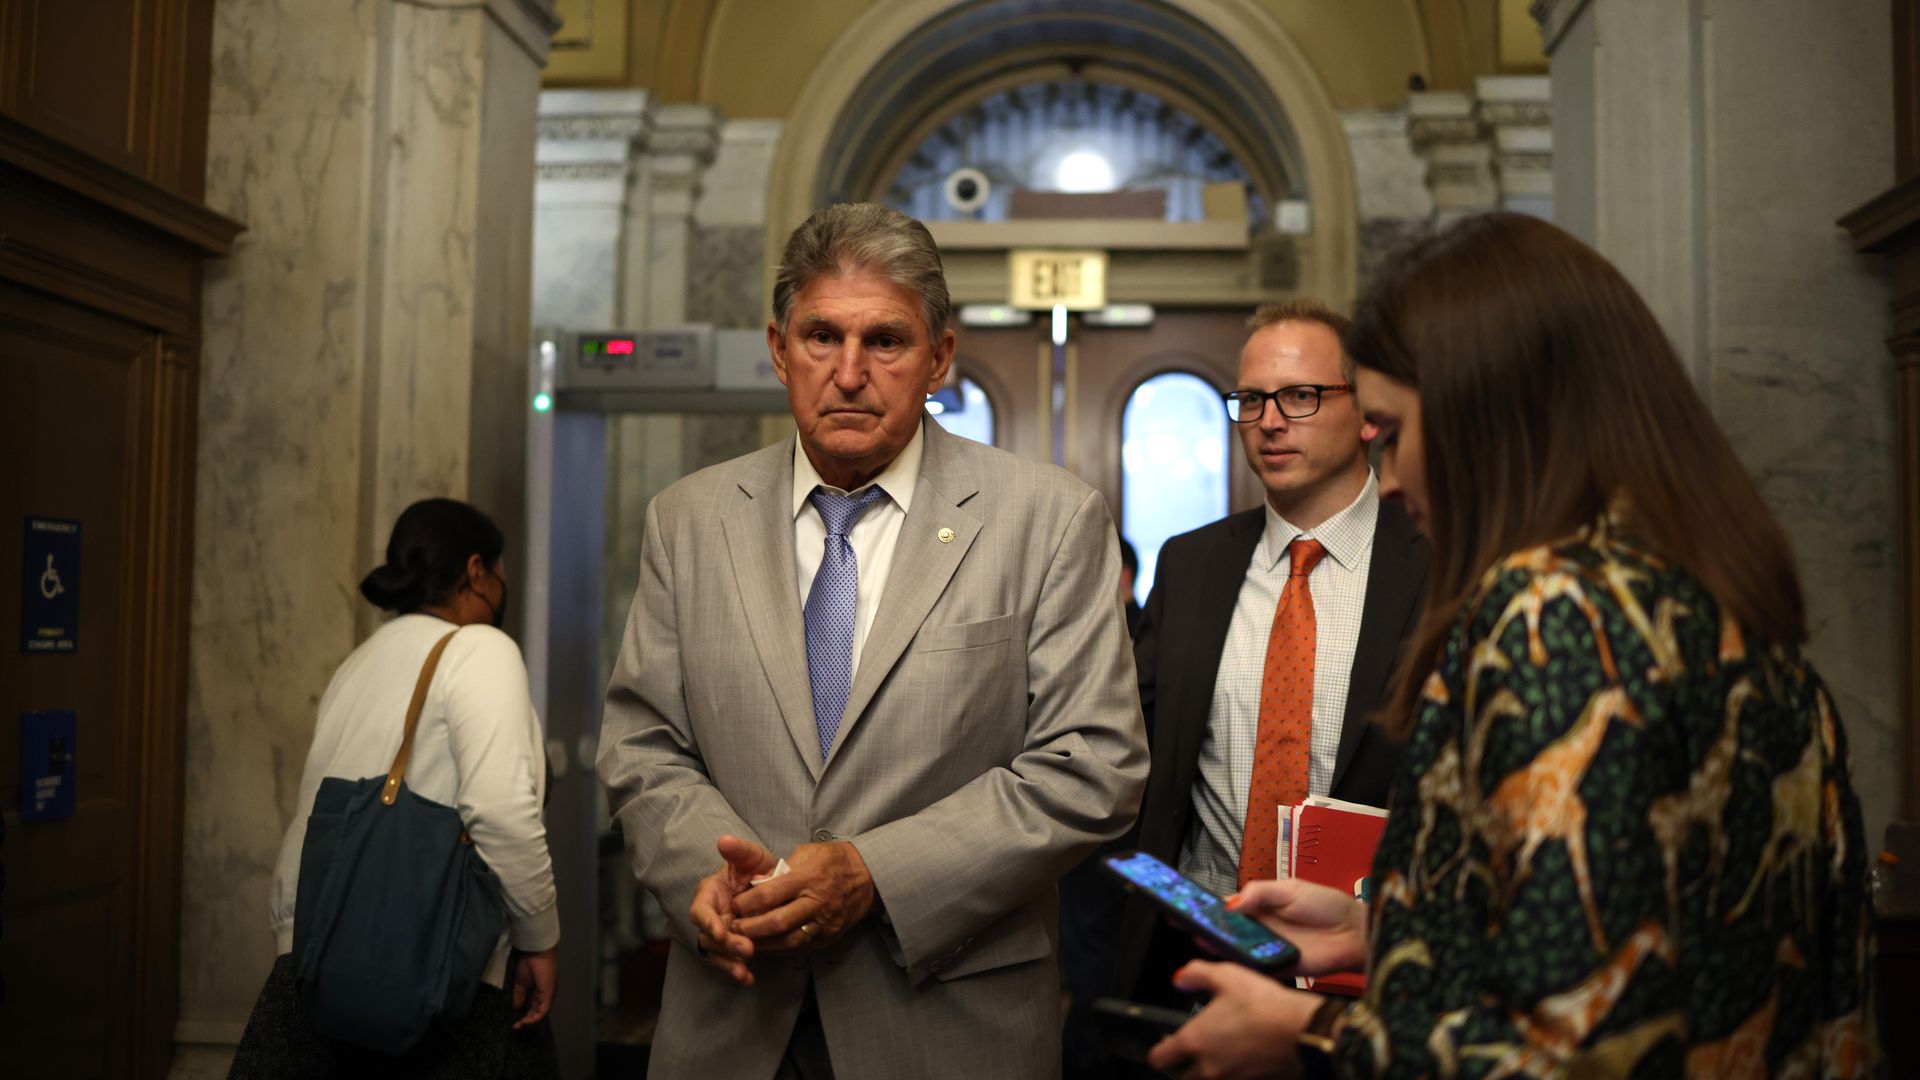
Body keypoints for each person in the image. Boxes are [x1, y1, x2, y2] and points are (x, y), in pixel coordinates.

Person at [1148, 212, 1872, 1077]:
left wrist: (1308, 1039)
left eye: (1399, 431)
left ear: (1492, 418)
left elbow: (1579, 1048)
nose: (1398, 474)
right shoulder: (1698, 593)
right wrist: (1391, 930)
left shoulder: (1554, 620)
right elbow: (1641, 939)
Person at [596, 202, 1148, 1078]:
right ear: (779, 350)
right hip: (733, 1022)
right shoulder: (688, 521)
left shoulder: (1045, 520)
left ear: (939, 358)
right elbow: (643, 743)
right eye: (822, 337)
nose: (849, 373)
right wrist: (709, 875)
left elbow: (1094, 765)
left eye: (885, 342)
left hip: (948, 1023)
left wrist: (876, 873)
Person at [1112, 299, 1427, 1008]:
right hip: (1198, 958)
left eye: (1301, 395)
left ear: (1368, 414)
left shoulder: (1436, 560)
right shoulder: (1192, 565)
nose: (1270, 420)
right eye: (1251, 400)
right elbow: (1127, 744)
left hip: (1372, 973)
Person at [231, 498, 560, 1077]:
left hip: (315, 970)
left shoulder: (358, 662)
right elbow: (500, 812)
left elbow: (312, 818)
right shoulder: (481, 649)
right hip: (431, 971)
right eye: (502, 573)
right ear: (477, 571)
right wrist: (539, 940)